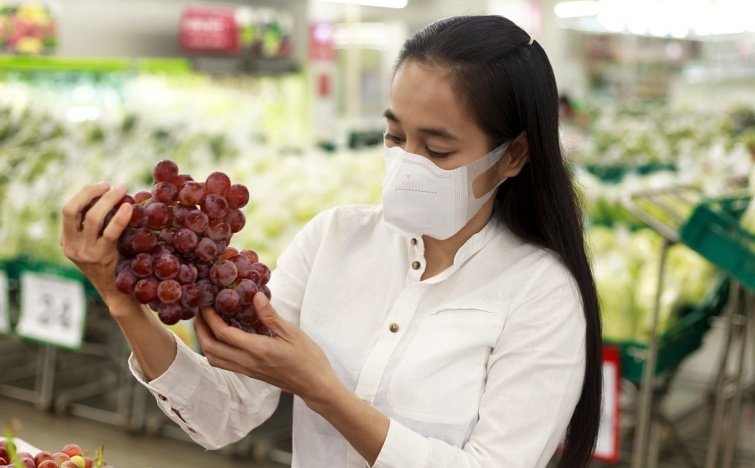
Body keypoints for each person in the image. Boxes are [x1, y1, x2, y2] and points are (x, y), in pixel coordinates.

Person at [60, 15, 602, 468]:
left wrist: (324, 392)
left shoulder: (541, 292)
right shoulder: (333, 238)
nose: (407, 162)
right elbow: (223, 414)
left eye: (437, 150)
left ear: (512, 155)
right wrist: (120, 299)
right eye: (394, 137)